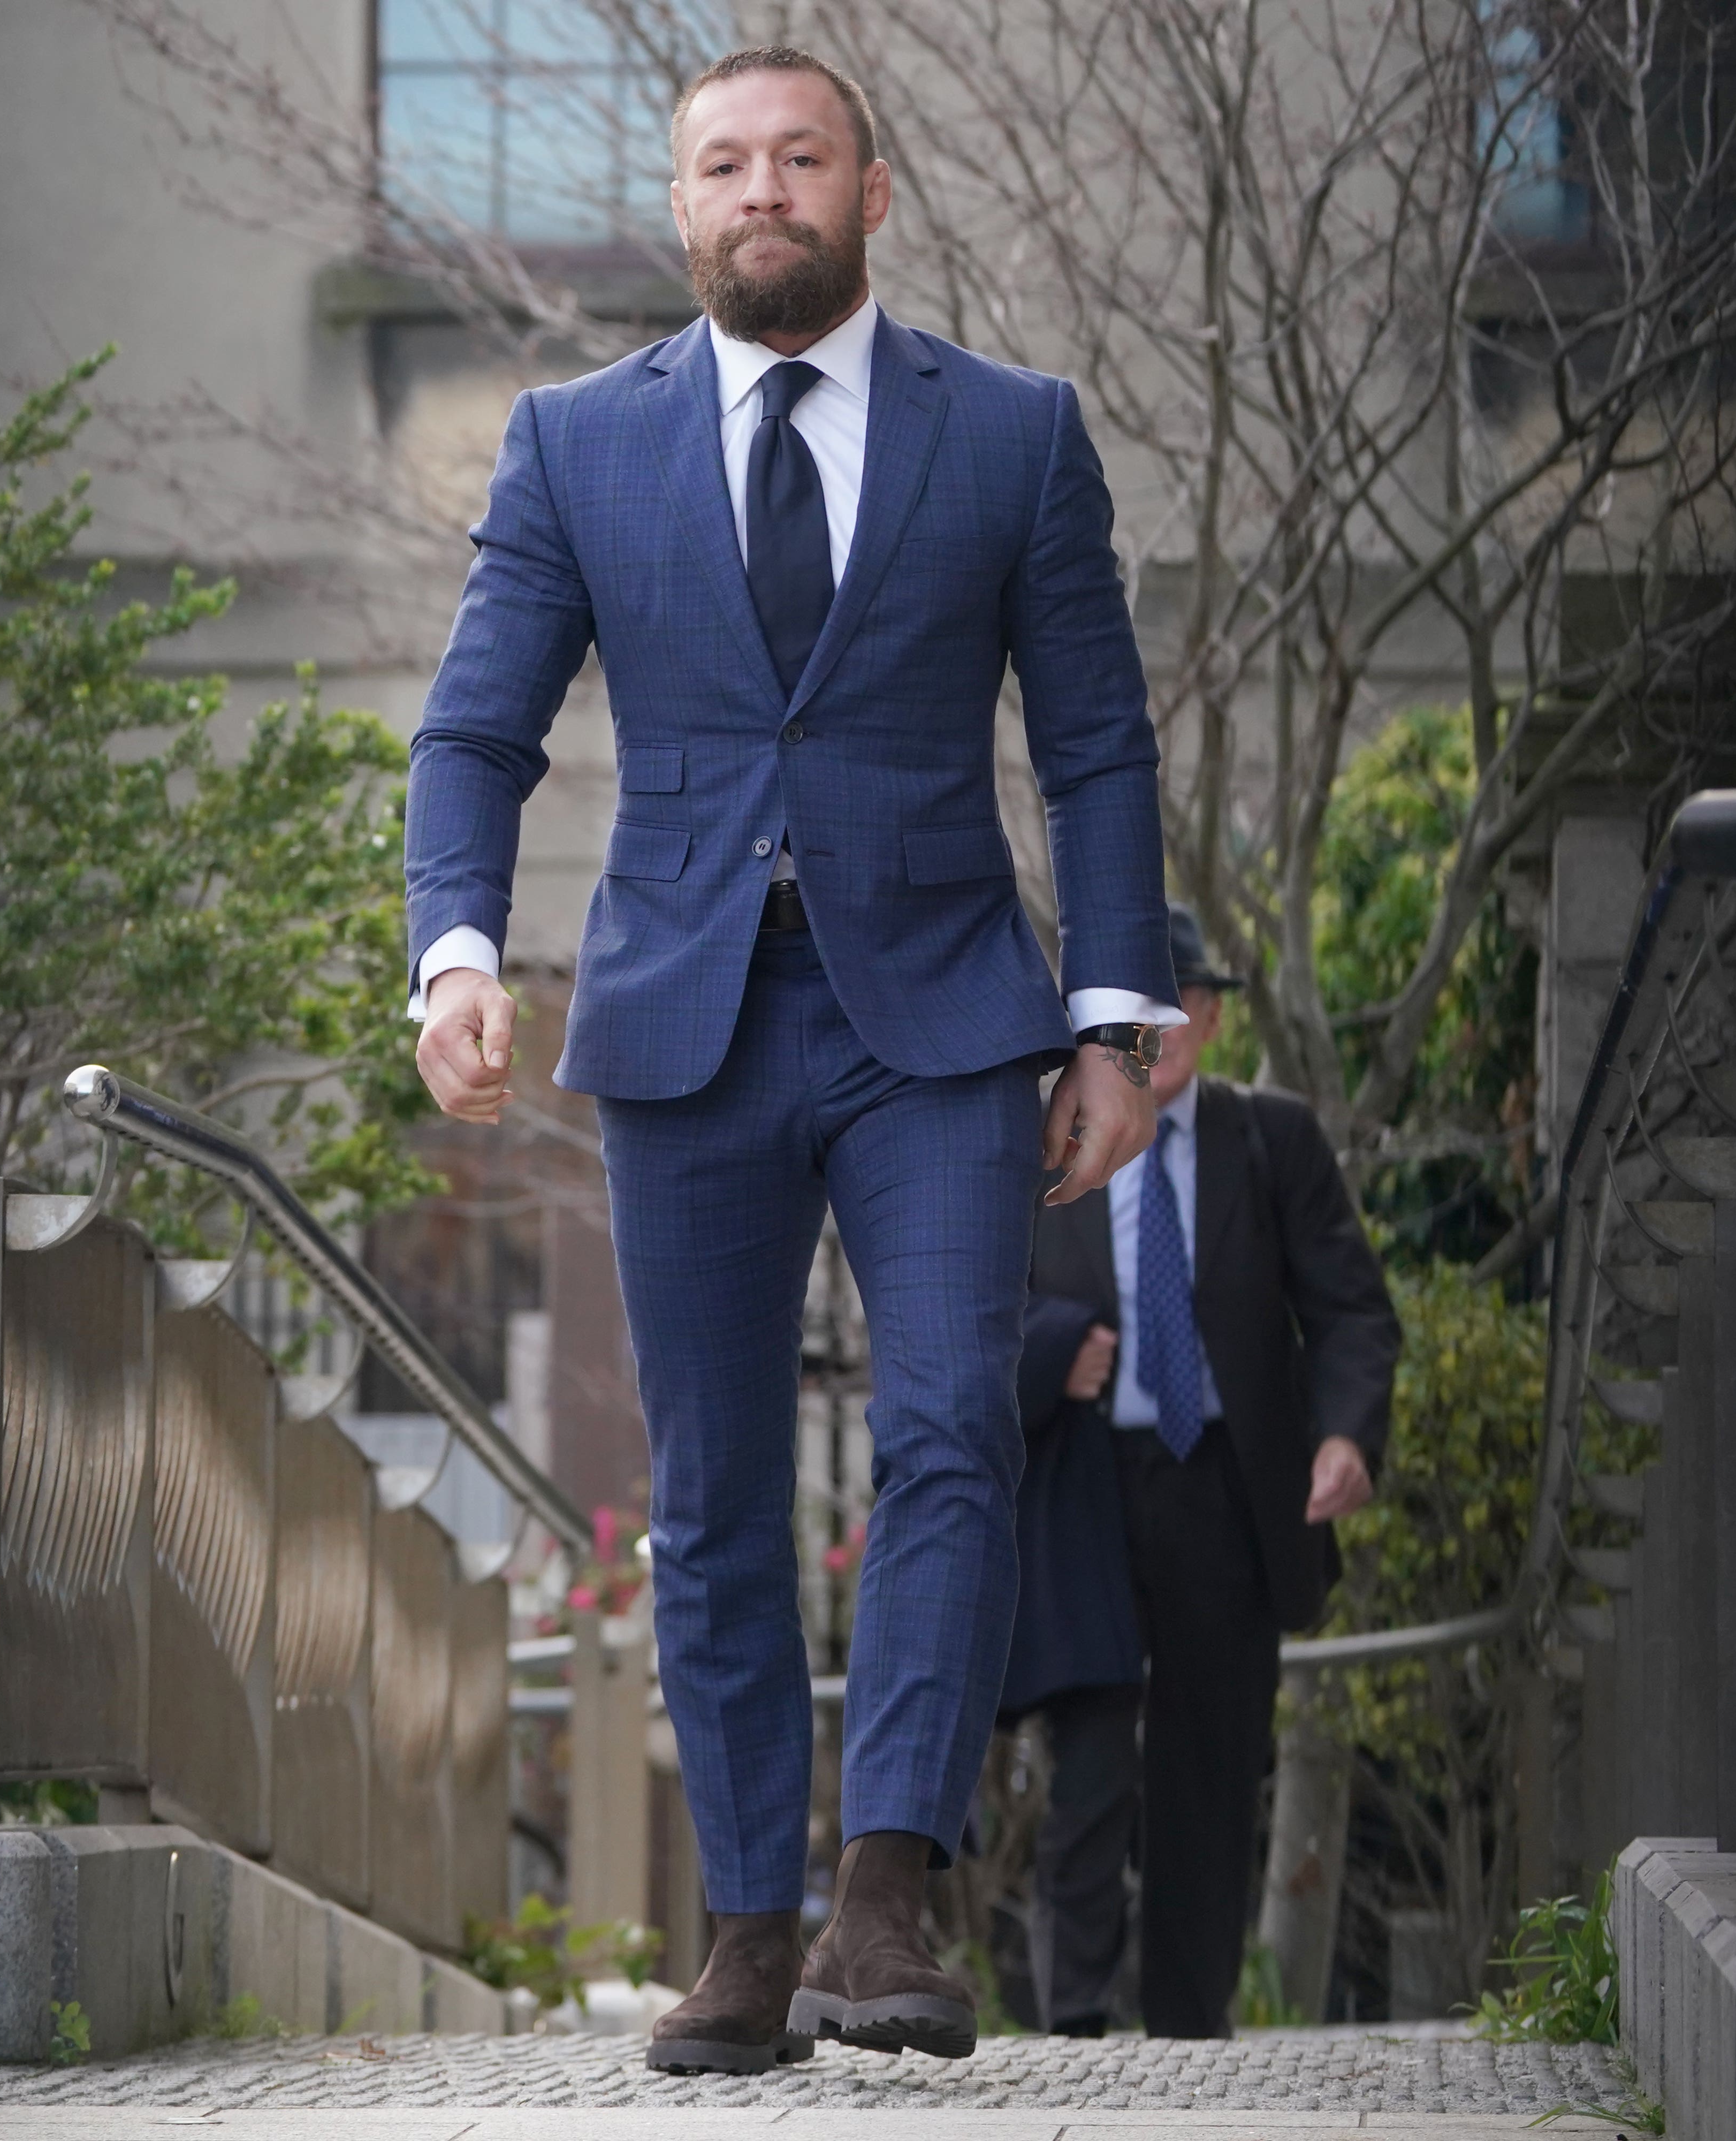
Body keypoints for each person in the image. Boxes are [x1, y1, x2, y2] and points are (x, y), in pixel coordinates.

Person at [403, 45, 1183, 2074]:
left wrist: (1115, 1018)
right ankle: (750, 1936)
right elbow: (479, 726)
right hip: (683, 1030)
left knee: (948, 1431)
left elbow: (1096, 740)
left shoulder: (1013, 437)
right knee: (717, 1491)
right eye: (726, 165)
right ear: (684, 209)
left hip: (939, 1024)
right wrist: (457, 956)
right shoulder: (580, 445)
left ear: (875, 190)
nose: (767, 191)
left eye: (803, 159)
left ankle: (887, 1904)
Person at [1002, 907, 1400, 2039]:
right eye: (1131, 1009)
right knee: (1086, 1764)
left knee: (1210, 1771)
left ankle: (1188, 2028)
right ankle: (1070, 2021)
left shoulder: (1273, 1141)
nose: (1155, 1029)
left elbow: (1353, 1312)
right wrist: (1053, 1352)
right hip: (1085, 1490)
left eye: (1178, 1005)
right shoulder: (1041, 1146)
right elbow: (972, 1314)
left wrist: (1347, 1434)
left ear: (1215, 1018)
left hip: (1225, 1491)